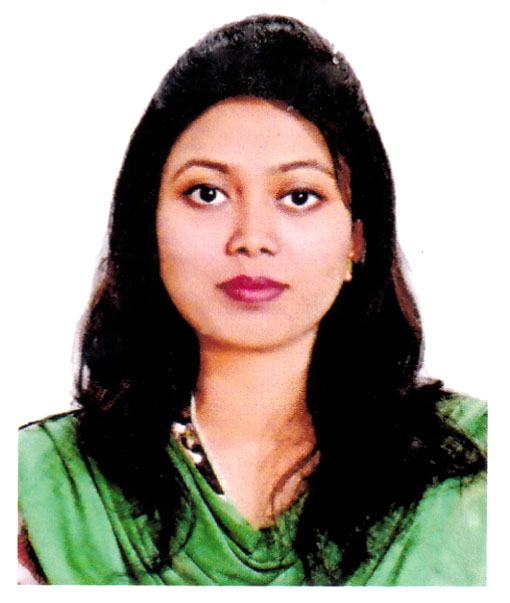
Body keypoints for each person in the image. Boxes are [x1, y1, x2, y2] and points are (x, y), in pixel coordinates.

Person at [18, 14, 486, 586]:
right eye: (207, 193)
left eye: (299, 196)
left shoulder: (478, 468)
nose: (251, 238)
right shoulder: (39, 485)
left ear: (358, 239)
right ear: (148, 224)